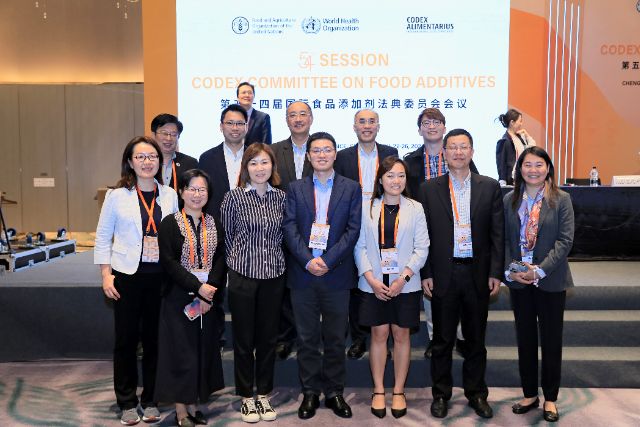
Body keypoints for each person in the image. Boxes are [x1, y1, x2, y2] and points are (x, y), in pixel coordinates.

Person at [418, 129, 504, 420]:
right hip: (443, 274)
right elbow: (423, 236)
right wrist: (426, 272)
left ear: (472, 152)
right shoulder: (428, 189)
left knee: (475, 339)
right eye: (452, 147)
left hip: (477, 273)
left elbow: (497, 234)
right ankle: (441, 394)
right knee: (442, 340)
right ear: (444, 152)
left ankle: (476, 393)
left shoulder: (489, 186)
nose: (458, 152)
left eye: (463, 147)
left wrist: (495, 272)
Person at [94, 136, 178, 426]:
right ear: (130, 162)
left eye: (152, 156)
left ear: (159, 161)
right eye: (140, 157)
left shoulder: (169, 195)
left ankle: (151, 398)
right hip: (127, 277)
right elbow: (103, 238)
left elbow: (175, 236)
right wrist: (106, 274)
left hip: (161, 279)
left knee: (155, 342)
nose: (147, 162)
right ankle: (127, 401)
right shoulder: (117, 196)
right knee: (126, 341)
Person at [282, 132, 362, 420]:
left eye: (327, 150)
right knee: (306, 338)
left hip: (336, 274)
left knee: (335, 338)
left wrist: (327, 261)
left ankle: (334, 391)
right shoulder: (295, 188)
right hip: (303, 274)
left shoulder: (351, 188)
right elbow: (289, 227)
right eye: (316, 151)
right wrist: (308, 260)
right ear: (308, 156)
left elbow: (353, 229)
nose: (322, 155)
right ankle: (310, 392)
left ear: (335, 154)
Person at [353, 156, 429, 419]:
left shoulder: (415, 208)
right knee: (378, 334)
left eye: (401, 175)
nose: (396, 181)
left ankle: (398, 390)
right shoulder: (367, 207)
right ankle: (378, 389)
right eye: (390, 176)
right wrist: (371, 279)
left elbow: (422, 248)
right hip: (373, 284)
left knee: (401, 335)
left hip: (404, 285)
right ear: (380, 180)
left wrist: (403, 279)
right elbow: (359, 247)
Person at [503, 146, 574, 423]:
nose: (533, 170)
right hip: (520, 280)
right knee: (526, 340)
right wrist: (514, 271)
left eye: (539, 165)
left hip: (550, 280)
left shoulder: (561, 199)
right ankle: (530, 394)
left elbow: (565, 241)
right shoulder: (510, 199)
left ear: (548, 168)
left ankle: (550, 398)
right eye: (528, 165)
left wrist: (539, 271)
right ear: (519, 169)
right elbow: (504, 240)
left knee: (552, 341)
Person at [220, 143, 287, 423]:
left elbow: (285, 235)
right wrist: (235, 267)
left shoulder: (281, 198)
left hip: (274, 276)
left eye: (264, 162)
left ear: (273, 166)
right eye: (254, 163)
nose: (260, 168)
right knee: (244, 340)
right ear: (245, 168)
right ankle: (247, 395)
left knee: (268, 339)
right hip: (243, 277)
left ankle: (264, 394)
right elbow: (226, 236)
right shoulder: (233, 198)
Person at [155, 169, 225, 427]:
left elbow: (220, 259)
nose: (197, 194)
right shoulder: (170, 223)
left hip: (207, 301)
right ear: (182, 192)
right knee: (181, 354)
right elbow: (169, 263)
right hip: (178, 299)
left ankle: (195, 404)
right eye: (192, 189)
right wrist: (198, 288)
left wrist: (209, 291)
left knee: (202, 352)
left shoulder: (213, 223)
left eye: (202, 189)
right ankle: (181, 410)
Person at [403, 108, 472, 358]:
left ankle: (461, 336)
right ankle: (436, 337)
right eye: (426, 123)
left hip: (459, 231)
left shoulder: (458, 156)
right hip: (423, 229)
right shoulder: (409, 161)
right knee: (431, 285)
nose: (431, 126)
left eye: (436, 122)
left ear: (444, 127)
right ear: (419, 129)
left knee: (461, 287)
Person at [335, 109, 399, 360]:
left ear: (378, 126)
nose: (367, 126)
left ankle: (383, 340)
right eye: (362, 122)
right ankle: (359, 338)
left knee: (384, 279)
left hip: (383, 225)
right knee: (355, 285)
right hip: (352, 226)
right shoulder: (343, 157)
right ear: (354, 127)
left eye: (372, 121)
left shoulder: (391, 153)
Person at [198, 103, 248, 351]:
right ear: (221, 126)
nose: (235, 128)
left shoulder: (257, 156)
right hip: (216, 232)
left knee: (245, 291)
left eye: (240, 123)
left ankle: (246, 338)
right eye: (230, 123)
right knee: (214, 286)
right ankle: (215, 337)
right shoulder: (207, 158)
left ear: (247, 126)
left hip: (250, 235)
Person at [271, 101, 314, 360]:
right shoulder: (275, 150)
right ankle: (286, 337)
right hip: (282, 228)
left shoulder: (321, 148)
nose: (297, 119)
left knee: (311, 286)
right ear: (286, 120)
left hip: (315, 229)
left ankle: (310, 336)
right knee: (285, 286)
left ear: (311, 118)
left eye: (302, 114)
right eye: (292, 115)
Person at [151, 113, 198, 192]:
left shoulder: (190, 163)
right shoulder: (145, 161)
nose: (168, 138)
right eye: (164, 133)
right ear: (153, 135)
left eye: (173, 134)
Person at [496, 108, 536, 186]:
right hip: (511, 181)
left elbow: (532, 149)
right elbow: (501, 164)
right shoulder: (504, 141)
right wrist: (503, 183)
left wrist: (527, 135)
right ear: (512, 122)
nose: (521, 124)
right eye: (520, 121)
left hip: (522, 178)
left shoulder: (519, 137)